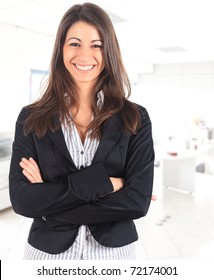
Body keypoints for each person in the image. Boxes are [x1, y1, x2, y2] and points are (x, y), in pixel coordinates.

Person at [9, 2, 155, 260]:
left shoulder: (135, 118)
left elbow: (137, 202)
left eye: (96, 45)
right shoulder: (31, 119)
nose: (84, 55)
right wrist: (107, 184)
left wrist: (49, 202)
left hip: (112, 258)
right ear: (61, 49)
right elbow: (22, 201)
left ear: (108, 50)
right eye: (74, 43)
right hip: (47, 258)